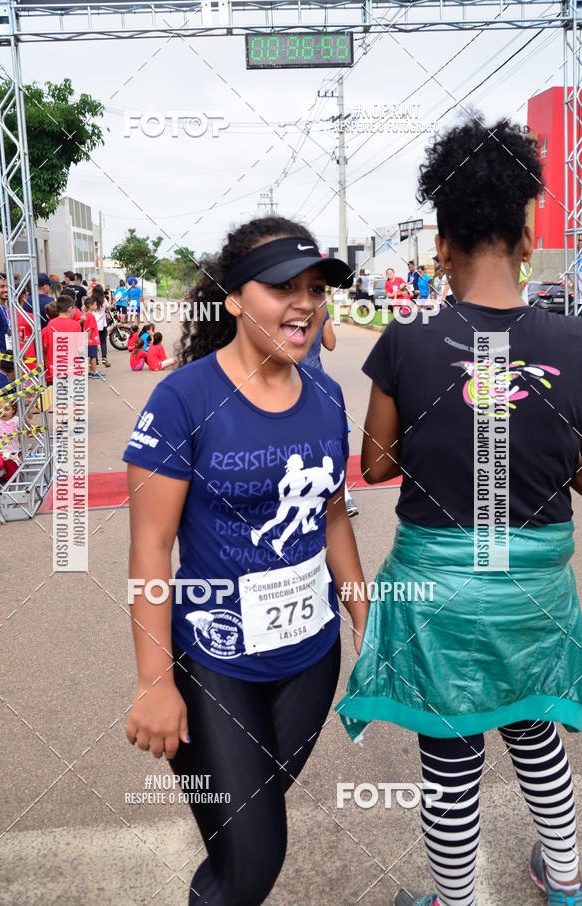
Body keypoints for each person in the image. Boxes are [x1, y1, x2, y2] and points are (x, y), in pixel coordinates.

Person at [337, 118, 582, 906]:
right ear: (529, 236)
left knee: (449, 757)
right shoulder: (575, 341)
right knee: (535, 733)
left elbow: (377, 465)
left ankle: (457, 899)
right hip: (534, 590)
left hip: (437, 594)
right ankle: (567, 882)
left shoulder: (406, 341)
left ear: (440, 246)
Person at [123, 216, 368, 906]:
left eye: (315, 288)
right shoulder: (184, 399)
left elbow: (333, 514)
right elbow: (150, 546)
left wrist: (365, 618)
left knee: (241, 853)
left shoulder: (326, 395)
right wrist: (153, 681)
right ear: (233, 298)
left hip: (310, 660)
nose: (304, 303)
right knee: (252, 862)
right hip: (214, 664)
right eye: (282, 286)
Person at [301, 305, 359, 519]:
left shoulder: (277, 306)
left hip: (286, 380)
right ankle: (343, 494)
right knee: (330, 437)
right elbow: (331, 343)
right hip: (317, 380)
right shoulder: (319, 307)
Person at [0, 392, 30, 488]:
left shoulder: (17, 420)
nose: (3, 412)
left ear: (13, 410)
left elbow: (27, 425)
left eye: (7, 409)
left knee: (14, 478)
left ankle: (1, 473)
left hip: (12, 452)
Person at [41, 296, 82, 385]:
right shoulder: (76, 325)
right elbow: (80, 348)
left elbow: (46, 345)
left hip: (55, 368)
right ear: (70, 309)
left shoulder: (50, 324)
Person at [92, 284, 111, 368]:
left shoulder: (91, 300)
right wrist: (109, 297)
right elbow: (108, 308)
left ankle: (95, 360)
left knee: (94, 342)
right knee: (103, 341)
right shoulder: (103, 300)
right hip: (102, 324)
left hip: (94, 324)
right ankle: (104, 358)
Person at [83, 297, 102, 379]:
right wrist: (87, 339)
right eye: (95, 305)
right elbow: (90, 328)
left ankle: (91, 371)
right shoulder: (90, 316)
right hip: (92, 340)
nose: (96, 306)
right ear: (90, 306)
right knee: (93, 356)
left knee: (91, 356)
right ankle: (94, 371)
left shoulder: (86, 315)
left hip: (90, 339)